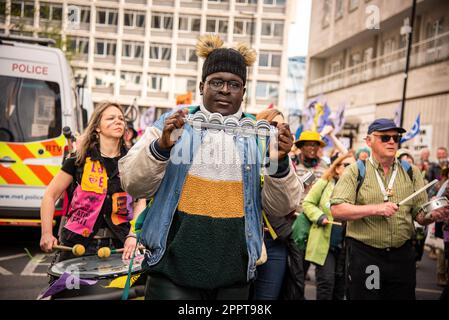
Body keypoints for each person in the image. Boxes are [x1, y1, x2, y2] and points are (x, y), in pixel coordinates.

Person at [118, 34, 302, 300]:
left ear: (244, 92)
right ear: (202, 85)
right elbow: (133, 184)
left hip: (234, 277)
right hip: (172, 273)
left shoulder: (260, 135)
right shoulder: (172, 124)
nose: (225, 90)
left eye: (234, 84)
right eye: (217, 82)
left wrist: (280, 161)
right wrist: (161, 147)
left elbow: (281, 207)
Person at [330, 118, 449, 300]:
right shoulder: (355, 170)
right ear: (369, 141)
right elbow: (337, 210)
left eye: (396, 137)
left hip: (402, 255)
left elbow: (420, 215)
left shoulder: (411, 171)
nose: (392, 141)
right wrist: (376, 209)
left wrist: (433, 215)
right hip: (367, 254)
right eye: (385, 137)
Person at [40, 102, 146, 262]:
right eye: (110, 118)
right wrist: (46, 233)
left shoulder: (133, 161)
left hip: (121, 244)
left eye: (121, 118)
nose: (118, 121)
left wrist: (133, 234)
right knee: (72, 288)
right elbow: (50, 195)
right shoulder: (79, 159)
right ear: (97, 127)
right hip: (77, 244)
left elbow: (140, 201)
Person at [303, 152, 355, 300]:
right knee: (326, 284)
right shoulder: (325, 182)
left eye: (355, 166)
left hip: (346, 246)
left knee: (341, 288)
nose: (352, 169)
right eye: (347, 165)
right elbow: (307, 203)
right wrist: (319, 216)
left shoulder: (357, 187)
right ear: (337, 168)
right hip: (325, 245)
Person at [252, 108, 292, 300]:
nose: (278, 130)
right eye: (273, 125)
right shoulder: (246, 153)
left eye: (282, 126)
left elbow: (289, 202)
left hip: (274, 241)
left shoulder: (284, 159)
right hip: (246, 238)